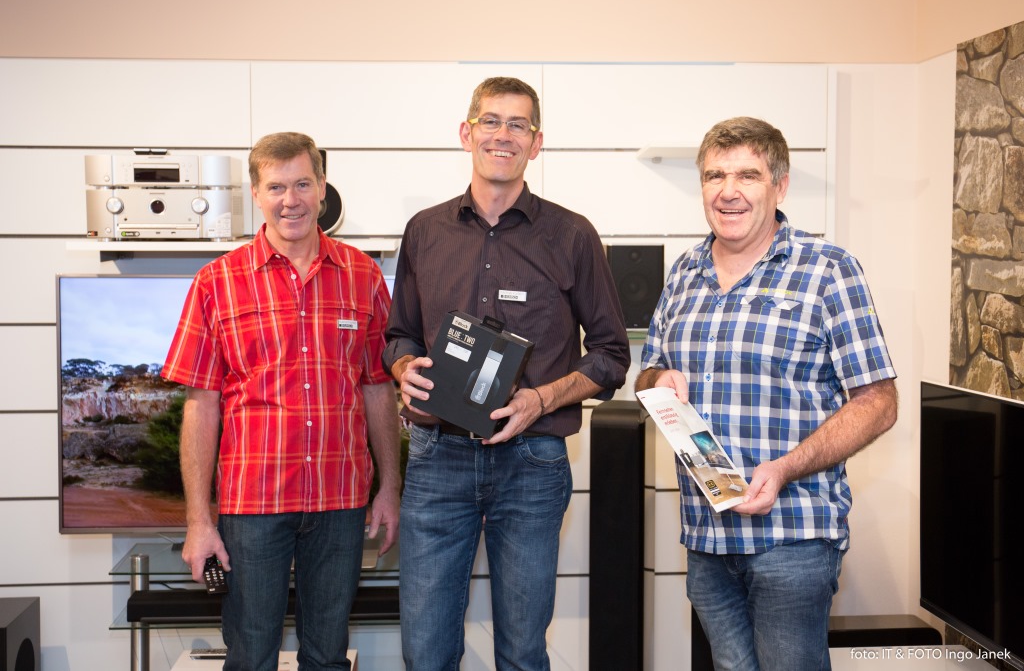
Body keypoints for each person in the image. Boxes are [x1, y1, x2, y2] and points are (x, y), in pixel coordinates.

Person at [383, 77, 630, 671]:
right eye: (491, 121)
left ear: (536, 143)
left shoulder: (572, 235)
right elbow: (400, 334)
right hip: (437, 456)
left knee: (521, 650)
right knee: (425, 651)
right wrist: (403, 366)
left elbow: (611, 355)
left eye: (518, 125)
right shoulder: (424, 230)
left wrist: (540, 399)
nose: (503, 135)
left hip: (532, 462)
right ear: (466, 133)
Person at [635, 117, 898, 671]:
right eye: (715, 176)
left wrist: (784, 468)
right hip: (706, 536)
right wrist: (656, 380)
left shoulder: (828, 271)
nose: (728, 191)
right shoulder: (683, 274)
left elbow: (878, 402)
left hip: (793, 536)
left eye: (747, 176)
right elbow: (647, 371)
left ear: (780, 186)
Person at [161, 132, 400, 671]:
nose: (290, 200)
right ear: (255, 193)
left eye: (302, 184)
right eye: (275, 187)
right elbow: (201, 406)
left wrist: (390, 486)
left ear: (322, 188)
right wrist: (198, 519)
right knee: (250, 656)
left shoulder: (363, 276)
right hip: (252, 505)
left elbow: (377, 387)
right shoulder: (216, 282)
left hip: (341, 500)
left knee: (328, 656)